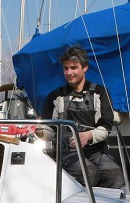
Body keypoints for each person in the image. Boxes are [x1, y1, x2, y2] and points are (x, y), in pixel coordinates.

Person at [40, 45, 125, 189]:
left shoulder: (100, 92)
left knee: (115, 175)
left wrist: (88, 135)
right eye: (66, 68)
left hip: (96, 151)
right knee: (89, 173)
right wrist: (39, 131)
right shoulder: (54, 96)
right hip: (66, 153)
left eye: (73, 68)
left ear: (84, 67)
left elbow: (106, 125)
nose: (69, 72)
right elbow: (49, 130)